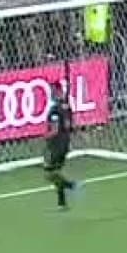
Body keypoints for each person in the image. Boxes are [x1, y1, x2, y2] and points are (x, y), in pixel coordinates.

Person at [44, 81, 78, 210]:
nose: (51, 94)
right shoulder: (66, 106)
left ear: (58, 91)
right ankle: (62, 203)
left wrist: (45, 136)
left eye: (52, 91)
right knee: (56, 172)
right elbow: (70, 125)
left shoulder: (55, 109)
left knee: (49, 174)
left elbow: (54, 130)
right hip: (65, 143)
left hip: (56, 145)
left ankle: (70, 185)